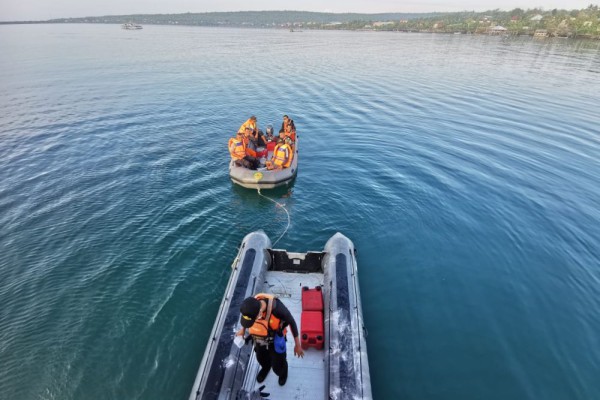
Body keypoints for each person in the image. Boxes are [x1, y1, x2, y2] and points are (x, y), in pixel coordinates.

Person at [237, 294, 304, 386]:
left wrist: (297, 344)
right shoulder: (250, 306)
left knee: (277, 366)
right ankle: (266, 367)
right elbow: (247, 317)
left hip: (275, 340)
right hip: (259, 338)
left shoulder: (277, 309)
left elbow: (291, 322)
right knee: (261, 358)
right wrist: (243, 330)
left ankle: (283, 373)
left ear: (260, 313)